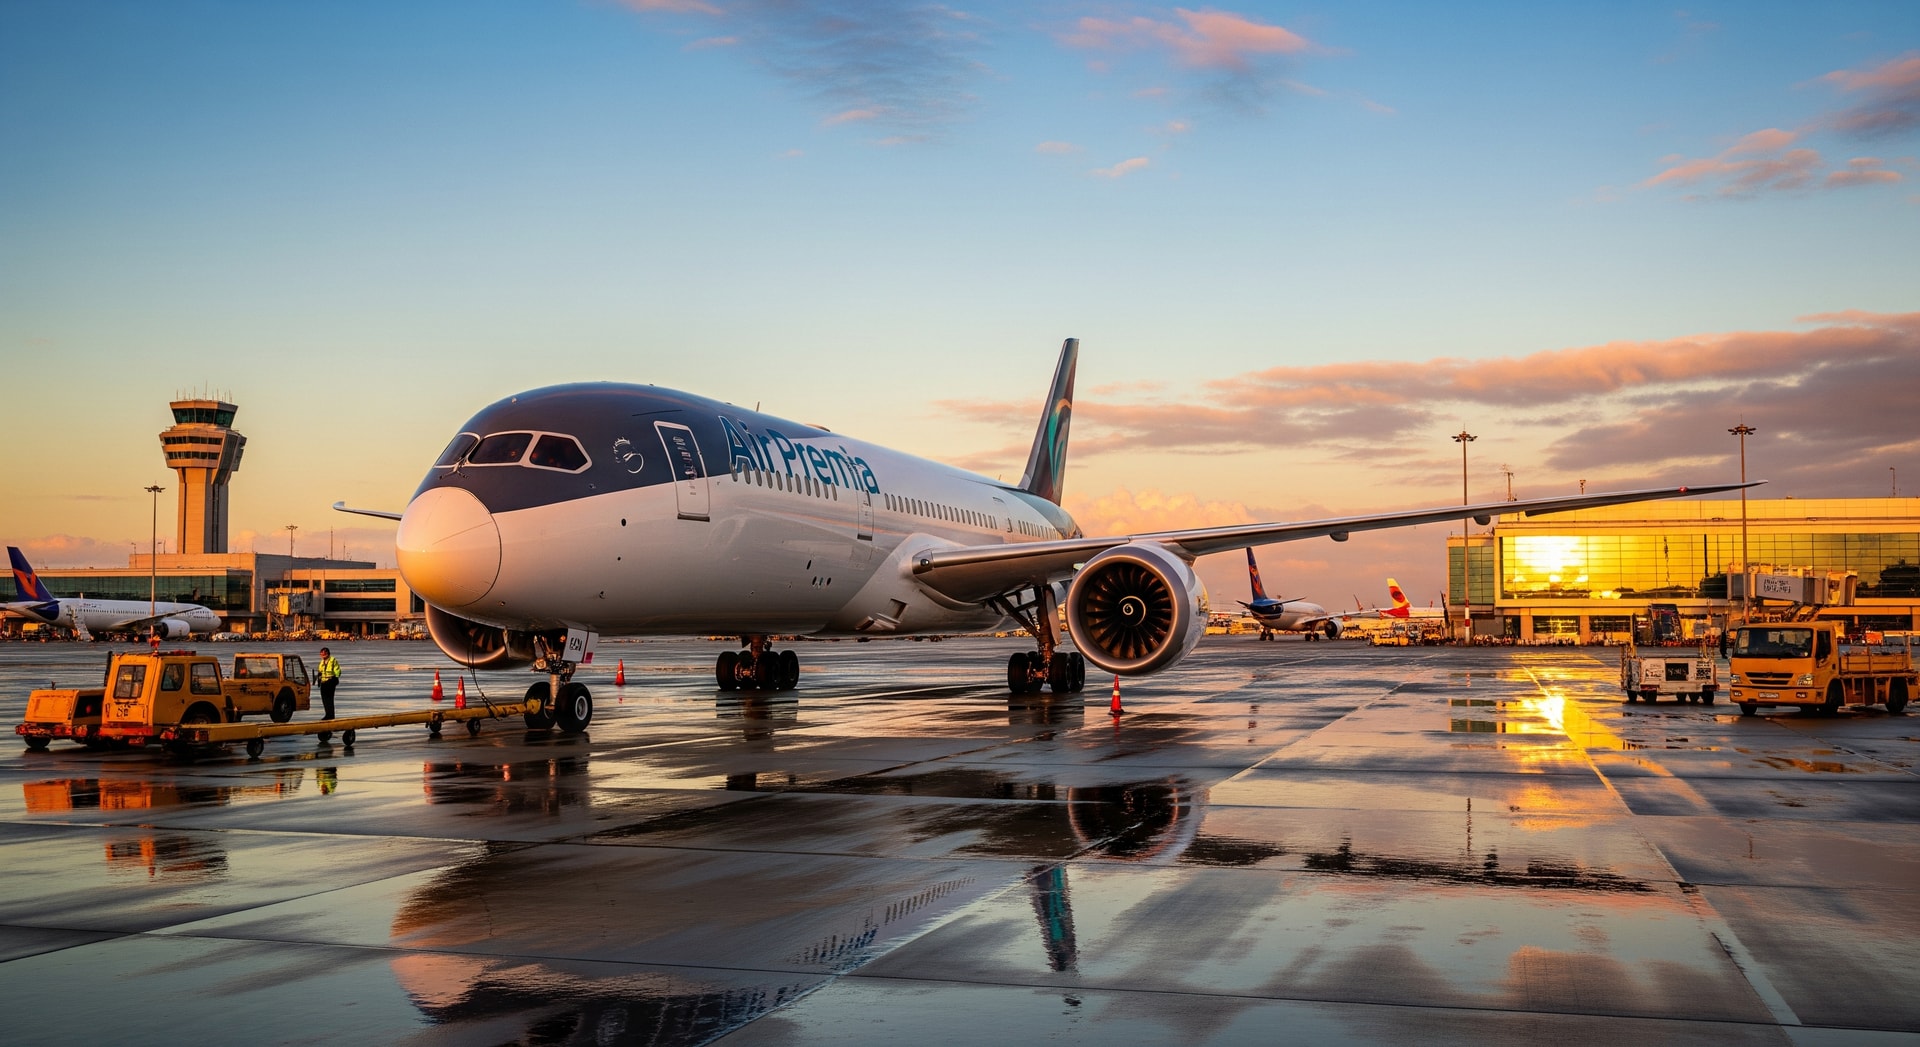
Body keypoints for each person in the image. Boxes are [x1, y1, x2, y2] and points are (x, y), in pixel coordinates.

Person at [316, 647, 341, 719]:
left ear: (327, 654)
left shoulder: (333, 660)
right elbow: (320, 671)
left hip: (330, 681)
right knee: (324, 699)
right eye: (321, 655)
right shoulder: (321, 662)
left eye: (323, 654)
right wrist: (319, 679)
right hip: (323, 682)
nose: (322, 656)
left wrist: (335, 678)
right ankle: (327, 714)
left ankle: (331, 715)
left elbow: (337, 670)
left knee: (329, 699)